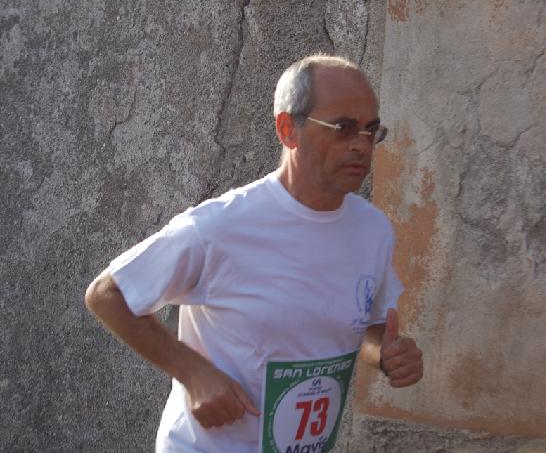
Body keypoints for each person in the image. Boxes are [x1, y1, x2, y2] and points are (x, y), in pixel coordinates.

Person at [85, 54, 423, 453]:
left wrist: (387, 354)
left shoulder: (373, 231)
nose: (360, 145)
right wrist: (193, 372)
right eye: (342, 128)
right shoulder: (220, 226)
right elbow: (106, 295)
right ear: (288, 130)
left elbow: (365, 326)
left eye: (370, 130)